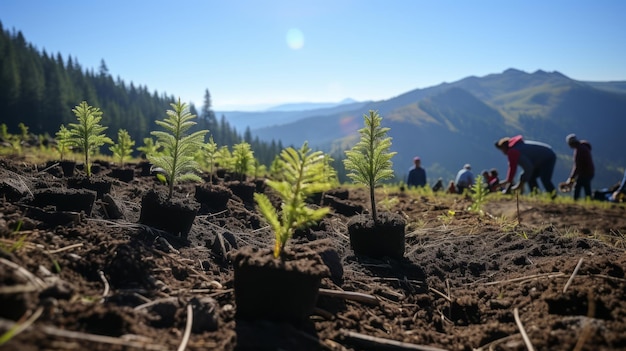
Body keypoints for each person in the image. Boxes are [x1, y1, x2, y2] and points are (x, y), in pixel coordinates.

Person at [563, 134, 594, 200]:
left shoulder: (579, 151)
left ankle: (575, 200)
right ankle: (589, 200)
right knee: (586, 186)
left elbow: (577, 167)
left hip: (585, 172)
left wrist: (571, 178)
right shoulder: (583, 147)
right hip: (590, 171)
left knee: (577, 186)